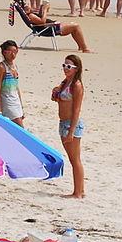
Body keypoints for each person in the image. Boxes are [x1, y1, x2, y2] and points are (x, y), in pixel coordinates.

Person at [53, 54, 86, 198]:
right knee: (73, 159)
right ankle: (80, 190)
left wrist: (71, 131)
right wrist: (55, 93)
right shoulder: (65, 82)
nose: (66, 69)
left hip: (71, 125)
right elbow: (59, 100)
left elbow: (77, 109)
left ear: (76, 68)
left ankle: (78, 192)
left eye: (69, 67)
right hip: (63, 123)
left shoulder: (76, 85)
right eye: (64, 66)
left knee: (75, 159)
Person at [12, 0, 92, 52]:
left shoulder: (30, 15)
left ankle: (81, 46)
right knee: (76, 26)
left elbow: (39, 18)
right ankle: (85, 48)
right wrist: (46, 10)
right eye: (27, 6)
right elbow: (42, 21)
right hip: (51, 28)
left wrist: (41, 8)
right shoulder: (31, 16)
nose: (29, 6)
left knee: (73, 26)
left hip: (50, 27)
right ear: (25, 8)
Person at [0, 40, 24, 127]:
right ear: (4, 52)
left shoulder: (15, 66)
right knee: (20, 129)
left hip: (16, 102)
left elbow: (16, 87)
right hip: (7, 103)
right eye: (10, 52)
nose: (13, 54)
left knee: (13, 129)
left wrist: (21, 105)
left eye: (15, 52)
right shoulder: (1, 67)